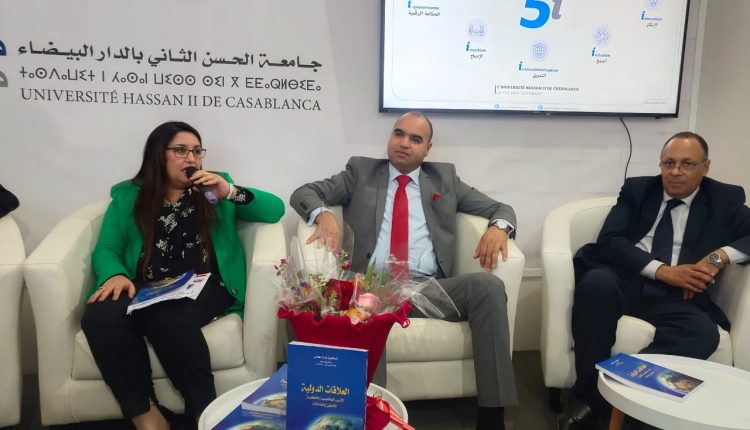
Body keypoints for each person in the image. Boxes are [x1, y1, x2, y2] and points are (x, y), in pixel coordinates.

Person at [290, 112, 517, 430]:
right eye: (399, 134)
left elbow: (501, 208)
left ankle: (492, 416)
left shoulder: (445, 179)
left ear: (428, 148)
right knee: (366, 309)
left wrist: (498, 227)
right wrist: (323, 214)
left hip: (428, 288)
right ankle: (372, 414)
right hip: (373, 287)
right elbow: (303, 193)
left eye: (415, 139)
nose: (404, 143)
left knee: (488, 287)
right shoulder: (361, 172)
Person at [81, 121, 284, 430]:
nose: (191, 158)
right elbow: (108, 247)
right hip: (147, 284)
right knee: (101, 315)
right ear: (158, 155)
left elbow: (274, 210)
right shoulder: (129, 195)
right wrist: (114, 274)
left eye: (197, 151)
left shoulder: (214, 188)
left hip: (206, 283)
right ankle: (146, 415)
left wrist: (228, 191)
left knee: (169, 319)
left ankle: (204, 415)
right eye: (180, 150)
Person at [559, 132, 750, 430]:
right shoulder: (638, 189)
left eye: (687, 164)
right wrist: (662, 271)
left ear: (706, 167)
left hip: (680, 295)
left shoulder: (725, 198)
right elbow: (610, 240)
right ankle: (587, 392)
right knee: (595, 285)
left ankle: (598, 400)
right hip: (626, 278)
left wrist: (717, 258)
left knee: (702, 334)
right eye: (668, 163)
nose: (675, 171)